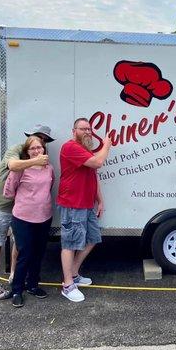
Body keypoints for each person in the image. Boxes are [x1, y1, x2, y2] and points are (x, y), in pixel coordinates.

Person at [0, 124, 54, 300]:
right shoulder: (16, 150)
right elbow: (13, 166)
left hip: (25, 210)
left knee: (20, 246)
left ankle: (16, 277)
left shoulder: (46, 165)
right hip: (2, 204)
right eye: (38, 138)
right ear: (29, 138)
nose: (41, 143)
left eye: (44, 141)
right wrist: (35, 161)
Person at [57, 118, 112, 302]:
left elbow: (93, 176)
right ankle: (67, 285)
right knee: (70, 244)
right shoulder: (70, 147)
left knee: (93, 238)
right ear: (74, 131)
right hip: (73, 204)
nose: (88, 132)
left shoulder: (84, 150)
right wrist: (106, 145)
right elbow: (98, 163)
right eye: (83, 129)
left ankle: (73, 273)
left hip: (87, 204)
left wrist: (100, 201)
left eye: (89, 129)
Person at [3, 135, 55, 308]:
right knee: (24, 253)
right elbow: (9, 191)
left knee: (39, 252)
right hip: (23, 217)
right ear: (27, 152)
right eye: (32, 148)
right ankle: (17, 289)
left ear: (44, 150)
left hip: (44, 216)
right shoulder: (20, 169)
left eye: (39, 147)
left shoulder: (49, 168)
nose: (36, 151)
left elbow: (50, 186)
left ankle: (32, 285)